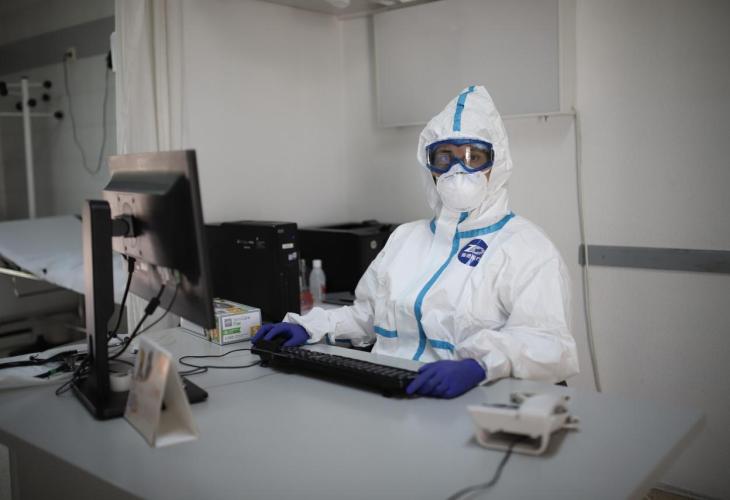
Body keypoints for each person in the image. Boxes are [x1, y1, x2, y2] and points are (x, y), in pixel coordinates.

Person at [253, 85, 579, 398]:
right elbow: (367, 314)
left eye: (473, 156)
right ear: (429, 167)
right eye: (444, 157)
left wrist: (479, 365)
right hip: (390, 390)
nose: (457, 169)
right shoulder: (407, 238)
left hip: (476, 402)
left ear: (498, 163)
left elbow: (549, 342)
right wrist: (310, 327)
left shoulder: (526, 247)